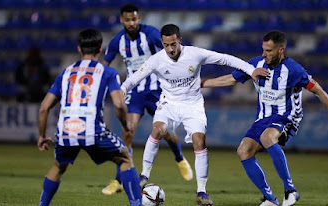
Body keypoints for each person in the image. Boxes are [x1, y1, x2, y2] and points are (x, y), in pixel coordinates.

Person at [201, 30, 328, 206]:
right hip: (263, 118)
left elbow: (319, 91)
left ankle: (290, 190)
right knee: (243, 151)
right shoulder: (256, 64)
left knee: (267, 137)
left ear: (281, 50)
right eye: (263, 50)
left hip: (287, 117)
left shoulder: (294, 70)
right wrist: (202, 83)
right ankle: (270, 198)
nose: (264, 54)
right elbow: (231, 79)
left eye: (269, 51)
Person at [121, 23, 263, 206]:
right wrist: (123, 89)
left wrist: (251, 70)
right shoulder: (156, 60)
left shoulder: (195, 54)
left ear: (180, 40)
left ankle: (201, 192)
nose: (170, 49)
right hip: (168, 103)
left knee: (199, 141)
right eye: (166, 45)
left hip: (192, 104)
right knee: (157, 130)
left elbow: (226, 59)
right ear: (162, 44)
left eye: (173, 44)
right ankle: (144, 175)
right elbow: (134, 78)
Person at [37, 28, 142, 206]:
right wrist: (125, 124)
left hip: (66, 130)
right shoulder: (107, 72)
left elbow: (44, 107)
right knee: (125, 157)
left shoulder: (66, 72)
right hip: (92, 130)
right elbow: (118, 104)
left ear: (79, 49)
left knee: (58, 167)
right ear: (100, 49)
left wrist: (41, 135)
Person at [101, 3, 193, 195]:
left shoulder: (151, 34)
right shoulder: (117, 41)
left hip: (157, 90)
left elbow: (170, 55)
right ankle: (118, 180)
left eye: (134, 19)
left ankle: (179, 159)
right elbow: (104, 65)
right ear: (122, 20)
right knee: (128, 132)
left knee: (167, 133)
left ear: (139, 18)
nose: (131, 22)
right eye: (127, 19)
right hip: (135, 93)